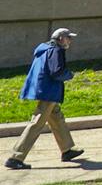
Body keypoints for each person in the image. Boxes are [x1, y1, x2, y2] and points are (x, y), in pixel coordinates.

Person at [5, 28, 83, 169]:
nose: (70, 40)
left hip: (44, 89)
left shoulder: (45, 48)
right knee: (37, 123)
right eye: (68, 37)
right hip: (49, 91)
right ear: (60, 39)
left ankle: (67, 150)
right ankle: (16, 157)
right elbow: (56, 72)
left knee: (57, 117)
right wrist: (69, 75)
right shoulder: (57, 50)